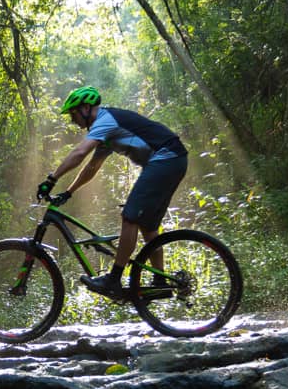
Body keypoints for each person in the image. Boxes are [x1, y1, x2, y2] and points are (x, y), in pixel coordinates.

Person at [36, 86, 188, 299]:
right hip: (173, 159)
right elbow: (91, 167)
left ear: (86, 108)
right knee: (147, 226)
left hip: (166, 158)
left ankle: (113, 280)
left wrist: (51, 179)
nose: (73, 120)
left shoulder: (106, 120)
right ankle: (160, 282)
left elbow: (80, 152)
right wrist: (68, 192)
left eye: (73, 114)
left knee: (130, 218)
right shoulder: (106, 130)